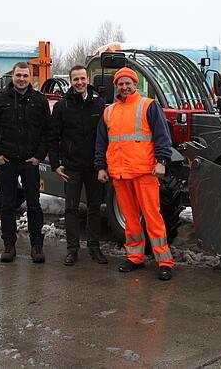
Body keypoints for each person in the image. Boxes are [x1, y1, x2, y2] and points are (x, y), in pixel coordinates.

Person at [95, 67, 175, 281]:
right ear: (116, 87)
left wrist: (162, 161)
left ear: (135, 84)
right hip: (120, 174)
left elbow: (162, 136)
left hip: (144, 172)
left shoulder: (148, 105)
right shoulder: (109, 111)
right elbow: (101, 142)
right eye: (121, 83)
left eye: (128, 83)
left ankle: (164, 262)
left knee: (153, 218)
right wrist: (101, 167)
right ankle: (135, 258)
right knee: (131, 220)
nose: (124, 86)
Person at [0, 62, 50, 264]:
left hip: (30, 162)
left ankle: (36, 246)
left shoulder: (39, 101)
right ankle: (9, 246)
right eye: (18, 75)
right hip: (8, 161)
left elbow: (47, 132)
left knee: (33, 205)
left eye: (25, 75)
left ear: (30, 77)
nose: (21, 79)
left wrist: (39, 156)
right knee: (7, 205)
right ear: (12, 76)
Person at [48, 65, 107, 266]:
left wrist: (102, 165)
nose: (80, 82)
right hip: (71, 167)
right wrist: (55, 164)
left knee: (94, 208)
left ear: (87, 79)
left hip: (93, 166)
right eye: (76, 79)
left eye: (82, 78)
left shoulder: (99, 104)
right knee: (71, 209)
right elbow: (53, 137)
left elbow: (105, 137)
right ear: (71, 82)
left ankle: (94, 248)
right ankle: (72, 250)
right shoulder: (62, 106)